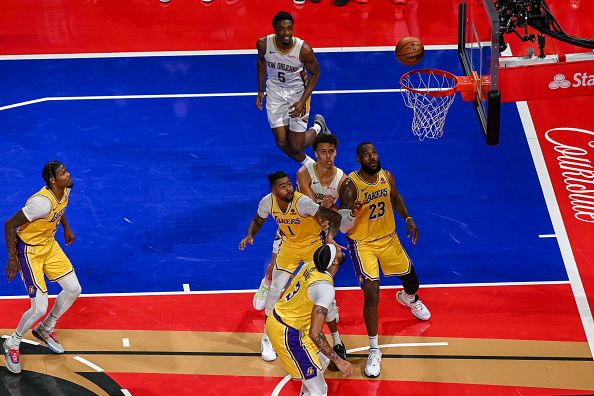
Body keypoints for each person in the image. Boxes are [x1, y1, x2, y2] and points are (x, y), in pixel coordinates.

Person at [338, 142, 431, 378]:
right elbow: (342, 226)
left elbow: (396, 198)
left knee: (412, 282)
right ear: (358, 159)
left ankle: (408, 298)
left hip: (388, 239)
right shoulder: (350, 186)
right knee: (371, 294)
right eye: (366, 154)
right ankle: (374, 349)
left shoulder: (386, 176)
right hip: (363, 244)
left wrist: (408, 218)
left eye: (374, 153)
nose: (372, 157)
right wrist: (353, 213)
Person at [252, 134, 348, 358]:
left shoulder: (341, 179)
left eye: (331, 151)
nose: (328, 156)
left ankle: (336, 339)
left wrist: (337, 212)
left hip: (313, 234)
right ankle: (266, 293)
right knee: (275, 280)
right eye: (323, 152)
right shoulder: (303, 174)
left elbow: (341, 211)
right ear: (316, 154)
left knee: (327, 290)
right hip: (290, 227)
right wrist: (323, 207)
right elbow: (309, 202)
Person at [239, 171, 342, 362]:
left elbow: (334, 218)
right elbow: (258, 220)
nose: (289, 188)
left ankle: (335, 336)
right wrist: (250, 234)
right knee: (275, 289)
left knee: (321, 289)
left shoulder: (303, 203)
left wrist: (329, 237)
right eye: (283, 186)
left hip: (312, 246)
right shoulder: (267, 202)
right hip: (290, 247)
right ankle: (267, 338)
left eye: (289, 184)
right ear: (274, 190)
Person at [2, 161, 82, 374]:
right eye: (63, 173)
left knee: (74, 289)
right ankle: (13, 343)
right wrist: (12, 259)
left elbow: (61, 208)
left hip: (49, 245)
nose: (69, 174)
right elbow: (9, 224)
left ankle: (45, 328)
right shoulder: (41, 203)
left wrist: (66, 227)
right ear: (52, 180)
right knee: (38, 307)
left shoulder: (64, 190)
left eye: (66, 170)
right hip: (30, 252)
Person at [266, 244, 353, 395]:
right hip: (288, 333)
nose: (340, 248)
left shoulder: (309, 266)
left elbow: (288, 290)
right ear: (334, 262)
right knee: (319, 390)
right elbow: (315, 333)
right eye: (337, 250)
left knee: (323, 362)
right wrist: (339, 361)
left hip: (286, 320)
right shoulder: (324, 288)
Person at [256, 11, 330, 164]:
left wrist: (303, 101)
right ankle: (311, 165)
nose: (286, 33)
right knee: (282, 143)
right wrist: (261, 90)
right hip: (275, 92)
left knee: (295, 146)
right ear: (274, 30)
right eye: (281, 29)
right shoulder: (263, 44)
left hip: (297, 94)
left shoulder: (304, 50)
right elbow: (261, 62)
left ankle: (317, 127)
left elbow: (315, 74)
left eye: (289, 28)